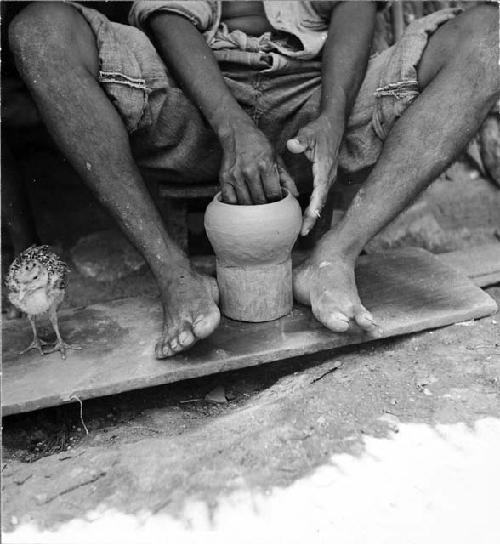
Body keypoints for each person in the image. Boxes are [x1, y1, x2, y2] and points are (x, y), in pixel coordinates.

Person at [9, 1, 499, 358]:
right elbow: (167, 12)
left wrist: (332, 116)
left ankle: (335, 254)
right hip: (193, 99)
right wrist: (232, 126)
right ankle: (173, 272)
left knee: (490, 33)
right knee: (39, 30)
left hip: (317, 89)